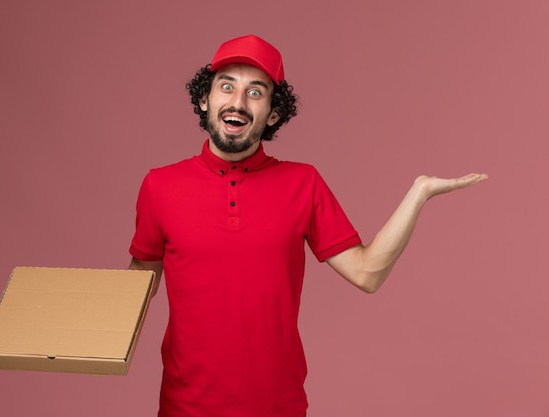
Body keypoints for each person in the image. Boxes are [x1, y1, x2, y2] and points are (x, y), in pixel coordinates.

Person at [128, 34, 488, 417]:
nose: (237, 102)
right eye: (227, 86)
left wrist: (419, 193)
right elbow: (138, 288)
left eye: (256, 92)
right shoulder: (160, 185)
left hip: (277, 407)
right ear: (205, 99)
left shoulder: (303, 183)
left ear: (274, 113)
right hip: (186, 407)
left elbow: (367, 274)